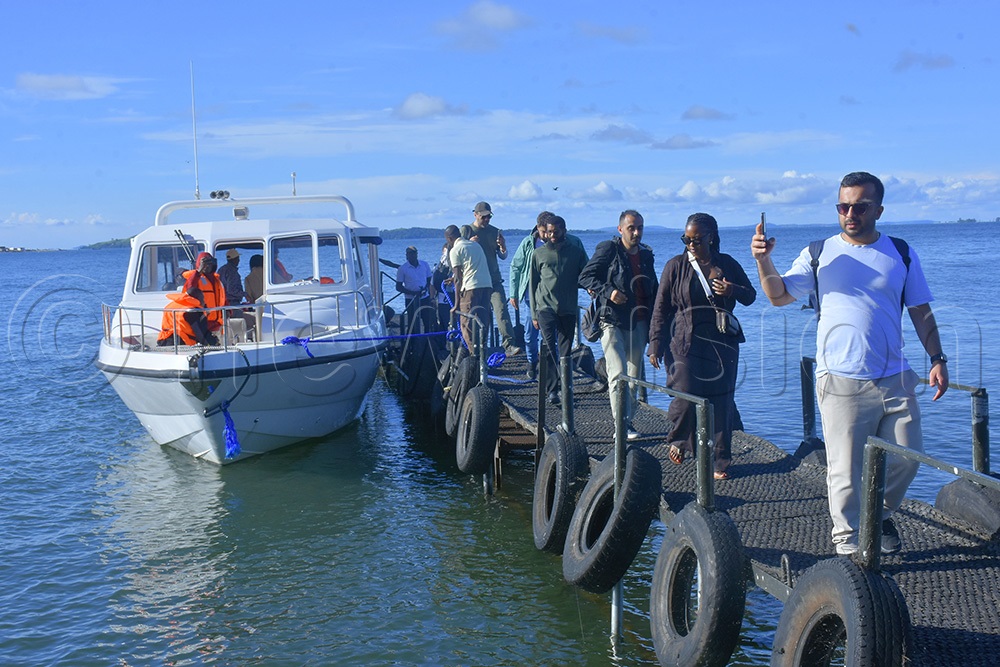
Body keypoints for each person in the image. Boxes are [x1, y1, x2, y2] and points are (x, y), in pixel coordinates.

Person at [751, 171, 948, 555]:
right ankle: (846, 544)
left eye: (859, 206)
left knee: (909, 456)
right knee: (844, 471)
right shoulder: (818, 253)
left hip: (896, 376)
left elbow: (920, 311)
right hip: (840, 380)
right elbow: (777, 296)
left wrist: (937, 358)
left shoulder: (900, 252)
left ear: (878, 209)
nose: (850, 213)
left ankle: (880, 513)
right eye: (843, 206)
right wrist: (763, 260)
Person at [648, 213, 756, 480]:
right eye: (686, 239)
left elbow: (751, 296)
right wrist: (655, 345)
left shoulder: (727, 264)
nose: (691, 244)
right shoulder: (675, 266)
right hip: (683, 341)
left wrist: (732, 291)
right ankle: (679, 439)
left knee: (721, 402)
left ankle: (719, 460)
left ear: (711, 237)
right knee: (685, 395)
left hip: (722, 342)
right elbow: (660, 308)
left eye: (697, 239)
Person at [579, 210, 658, 439]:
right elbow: (585, 277)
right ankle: (621, 427)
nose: (636, 233)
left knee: (634, 377)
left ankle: (626, 420)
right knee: (618, 373)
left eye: (640, 228)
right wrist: (609, 291)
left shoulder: (646, 255)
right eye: (632, 228)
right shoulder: (608, 249)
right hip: (611, 319)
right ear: (620, 229)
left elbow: (652, 287)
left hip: (639, 320)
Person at [509, 211, 586, 380]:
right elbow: (516, 266)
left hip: (561, 300)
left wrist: (588, 286)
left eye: (551, 231)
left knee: (551, 340)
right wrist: (513, 293)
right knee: (531, 332)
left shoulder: (573, 242)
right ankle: (532, 362)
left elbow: (583, 268)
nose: (548, 236)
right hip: (533, 294)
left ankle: (555, 373)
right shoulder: (529, 244)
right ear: (539, 228)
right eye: (545, 232)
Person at [529, 214, 589, 404]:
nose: (551, 235)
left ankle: (566, 387)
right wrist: (533, 313)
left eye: (555, 231)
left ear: (564, 230)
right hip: (545, 306)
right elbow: (532, 284)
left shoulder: (576, 252)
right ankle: (552, 390)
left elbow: (586, 274)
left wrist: (592, 288)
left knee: (565, 351)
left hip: (568, 307)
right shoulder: (538, 254)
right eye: (548, 232)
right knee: (548, 348)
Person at [468, 201, 521, 356]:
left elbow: (503, 256)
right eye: (483, 217)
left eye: (489, 217)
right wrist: (469, 243)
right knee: (478, 315)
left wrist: (503, 247)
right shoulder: (467, 230)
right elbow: (457, 252)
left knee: (501, 311)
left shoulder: (495, 231)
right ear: (475, 215)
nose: (486, 220)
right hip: (475, 282)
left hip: (494, 280)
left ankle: (509, 345)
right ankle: (477, 348)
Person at [157, 251, 227, 346]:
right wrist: (199, 271)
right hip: (180, 336)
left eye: (210, 264)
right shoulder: (191, 310)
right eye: (205, 264)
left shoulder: (216, 280)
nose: (208, 267)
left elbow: (221, 298)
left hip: (215, 322)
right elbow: (191, 287)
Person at [446, 224, 492, 355]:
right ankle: (484, 353)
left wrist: (456, 305)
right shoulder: (475, 245)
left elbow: (458, 279)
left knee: (466, 323)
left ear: (450, 238)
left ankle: (475, 356)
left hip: (470, 288)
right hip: (486, 285)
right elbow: (471, 267)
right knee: (482, 321)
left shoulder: (455, 250)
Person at [395, 246, 435, 332]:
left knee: (427, 322)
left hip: (425, 298)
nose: (411, 255)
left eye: (413, 253)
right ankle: (411, 342)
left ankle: (428, 342)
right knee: (412, 323)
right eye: (409, 253)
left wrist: (425, 290)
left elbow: (429, 280)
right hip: (411, 300)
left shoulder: (425, 264)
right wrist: (412, 293)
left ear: (417, 254)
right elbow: (398, 287)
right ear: (406, 256)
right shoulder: (403, 268)